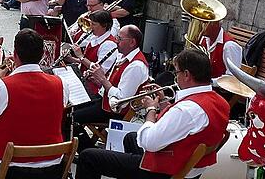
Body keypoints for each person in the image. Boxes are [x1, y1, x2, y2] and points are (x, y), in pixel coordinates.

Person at [75, 49, 230, 179]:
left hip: (166, 170)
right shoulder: (219, 101)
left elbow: (150, 142)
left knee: (89, 157)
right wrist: (163, 103)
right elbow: (186, 126)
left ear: (187, 75)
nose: (175, 77)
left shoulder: (187, 110)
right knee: (131, 138)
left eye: (176, 72)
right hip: (190, 164)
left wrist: (151, 110)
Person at [0, 29, 69, 179]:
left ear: (15, 54)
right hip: (53, 167)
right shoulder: (62, 84)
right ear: (42, 55)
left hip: (10, 170)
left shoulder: (0, 86)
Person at [73, 25, 149, 152]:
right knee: (68, 109)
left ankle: (88, 152)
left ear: (132, 42)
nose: (116, 41)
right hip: (104, 102)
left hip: (115, 111)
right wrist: (97, 80)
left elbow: (121, 101)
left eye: (119, 38)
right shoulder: (122, 56)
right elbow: (111, 86)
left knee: (71, 118)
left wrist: (102, 78)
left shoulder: (136, 66)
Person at [65, 10, 119, 95]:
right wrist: (70, 59)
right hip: (83, 79)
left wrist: (81, 56)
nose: (90, 27)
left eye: (94, 24)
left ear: (104, 25)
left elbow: (100, 70)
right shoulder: (94, 37)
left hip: (94, 88)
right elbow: (87, 61)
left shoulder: (109, 44)